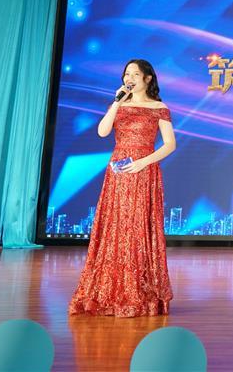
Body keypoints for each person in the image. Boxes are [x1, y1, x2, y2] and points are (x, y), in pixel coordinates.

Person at [69, 59, 176, 317]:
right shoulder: (119, 104)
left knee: (138, 228)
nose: (130, 78)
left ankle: (139, 292)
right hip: (118, 172)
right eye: (127, 74)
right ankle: (111, 291)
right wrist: (117, 102)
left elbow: (170, 145)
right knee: (116, 227)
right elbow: (102, 132)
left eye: (135, 74)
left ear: (148, 78)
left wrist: (142, 163)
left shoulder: (159, 108)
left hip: (143, 170)